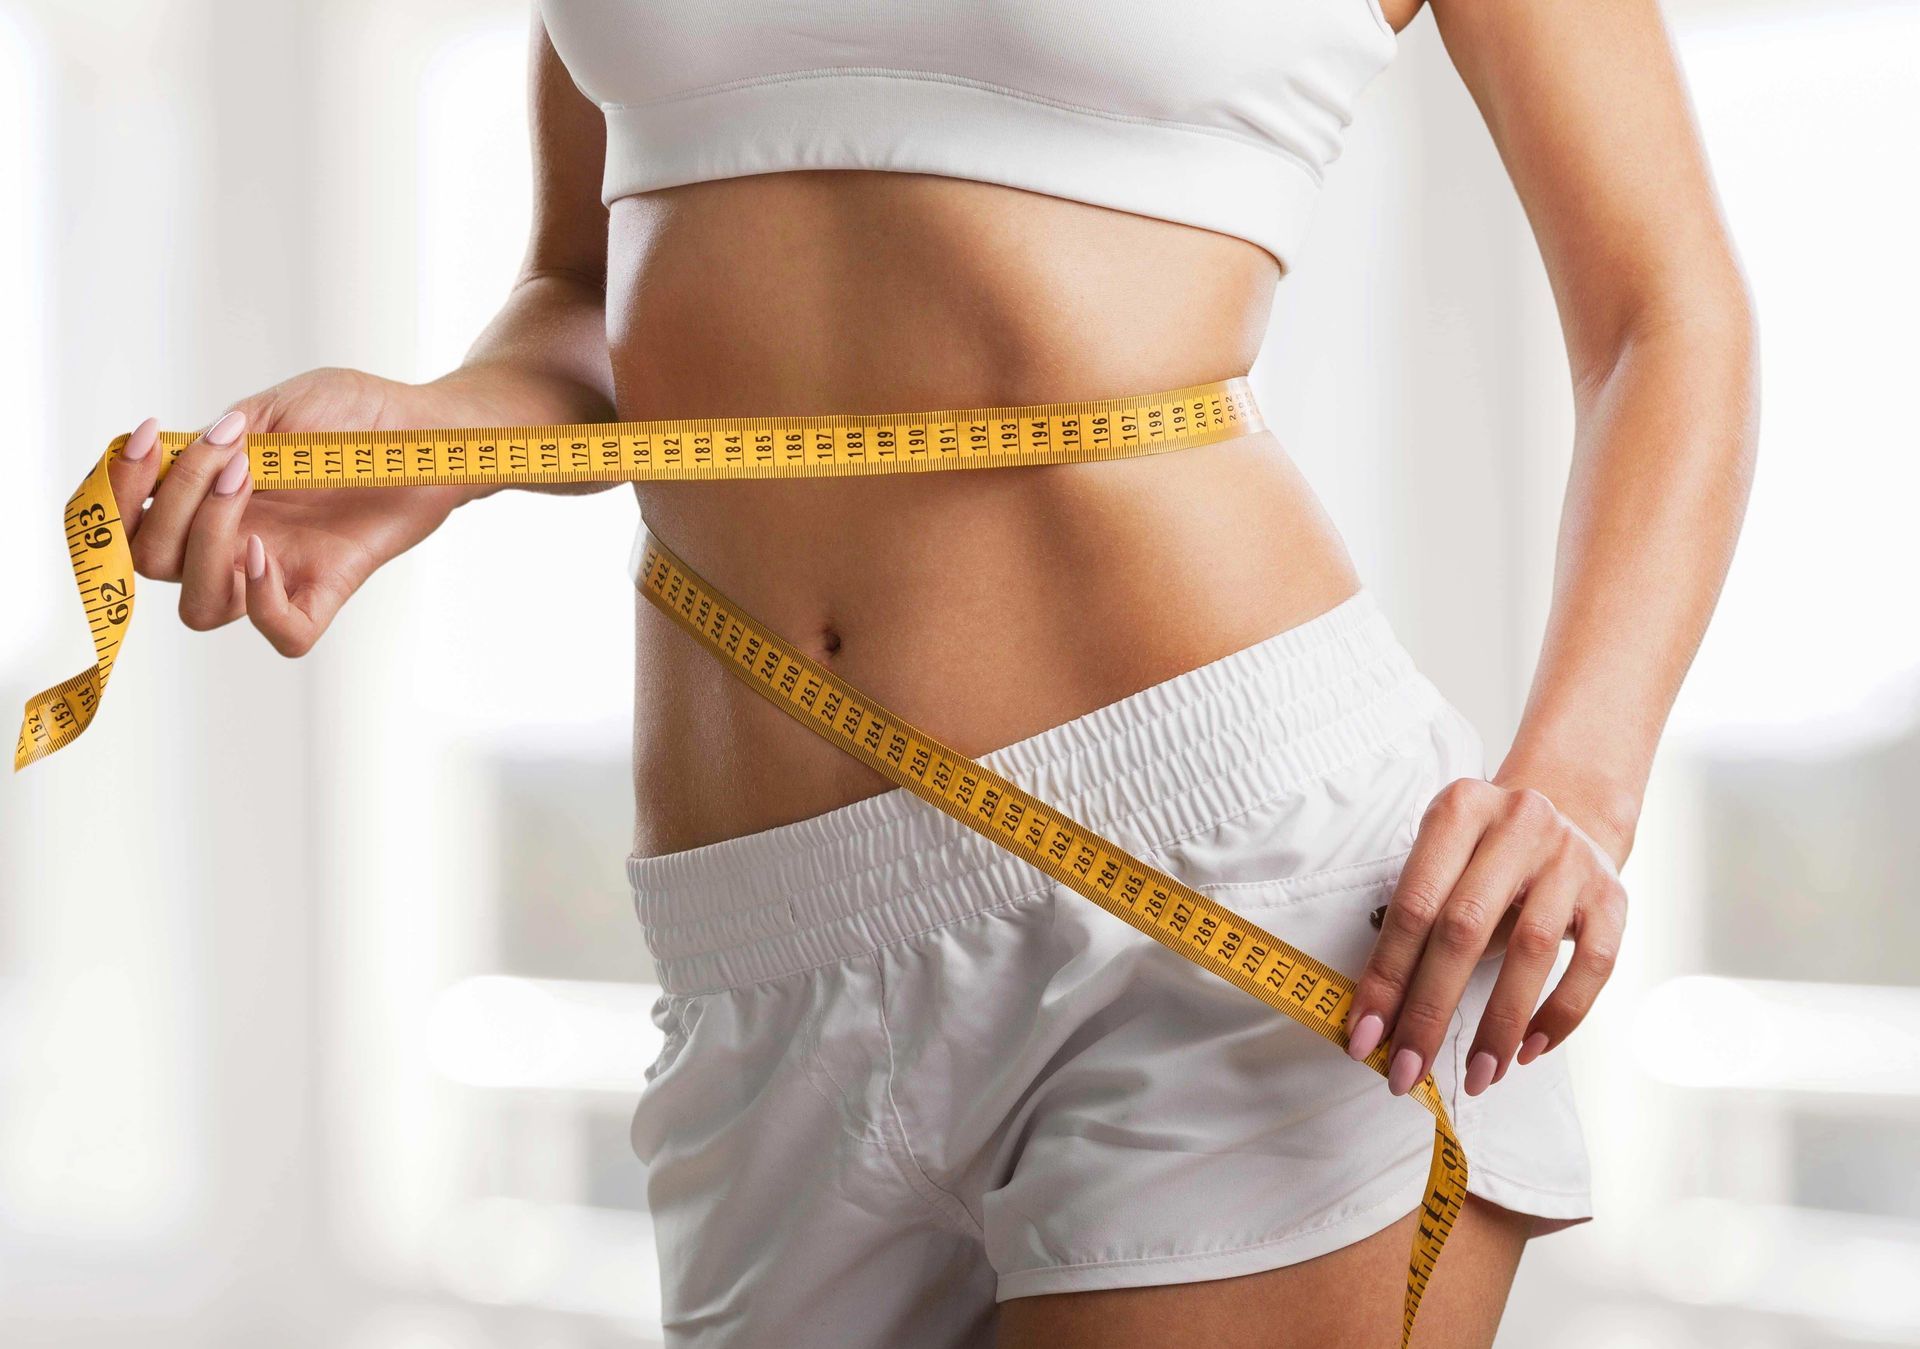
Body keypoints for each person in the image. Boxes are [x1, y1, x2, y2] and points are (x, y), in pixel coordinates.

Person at [103, 0, 1755, 1344]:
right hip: (757, 945)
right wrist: (438, 439)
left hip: (1222, 901)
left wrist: (1581, 788)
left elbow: (1662, 311)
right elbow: (593, 303)